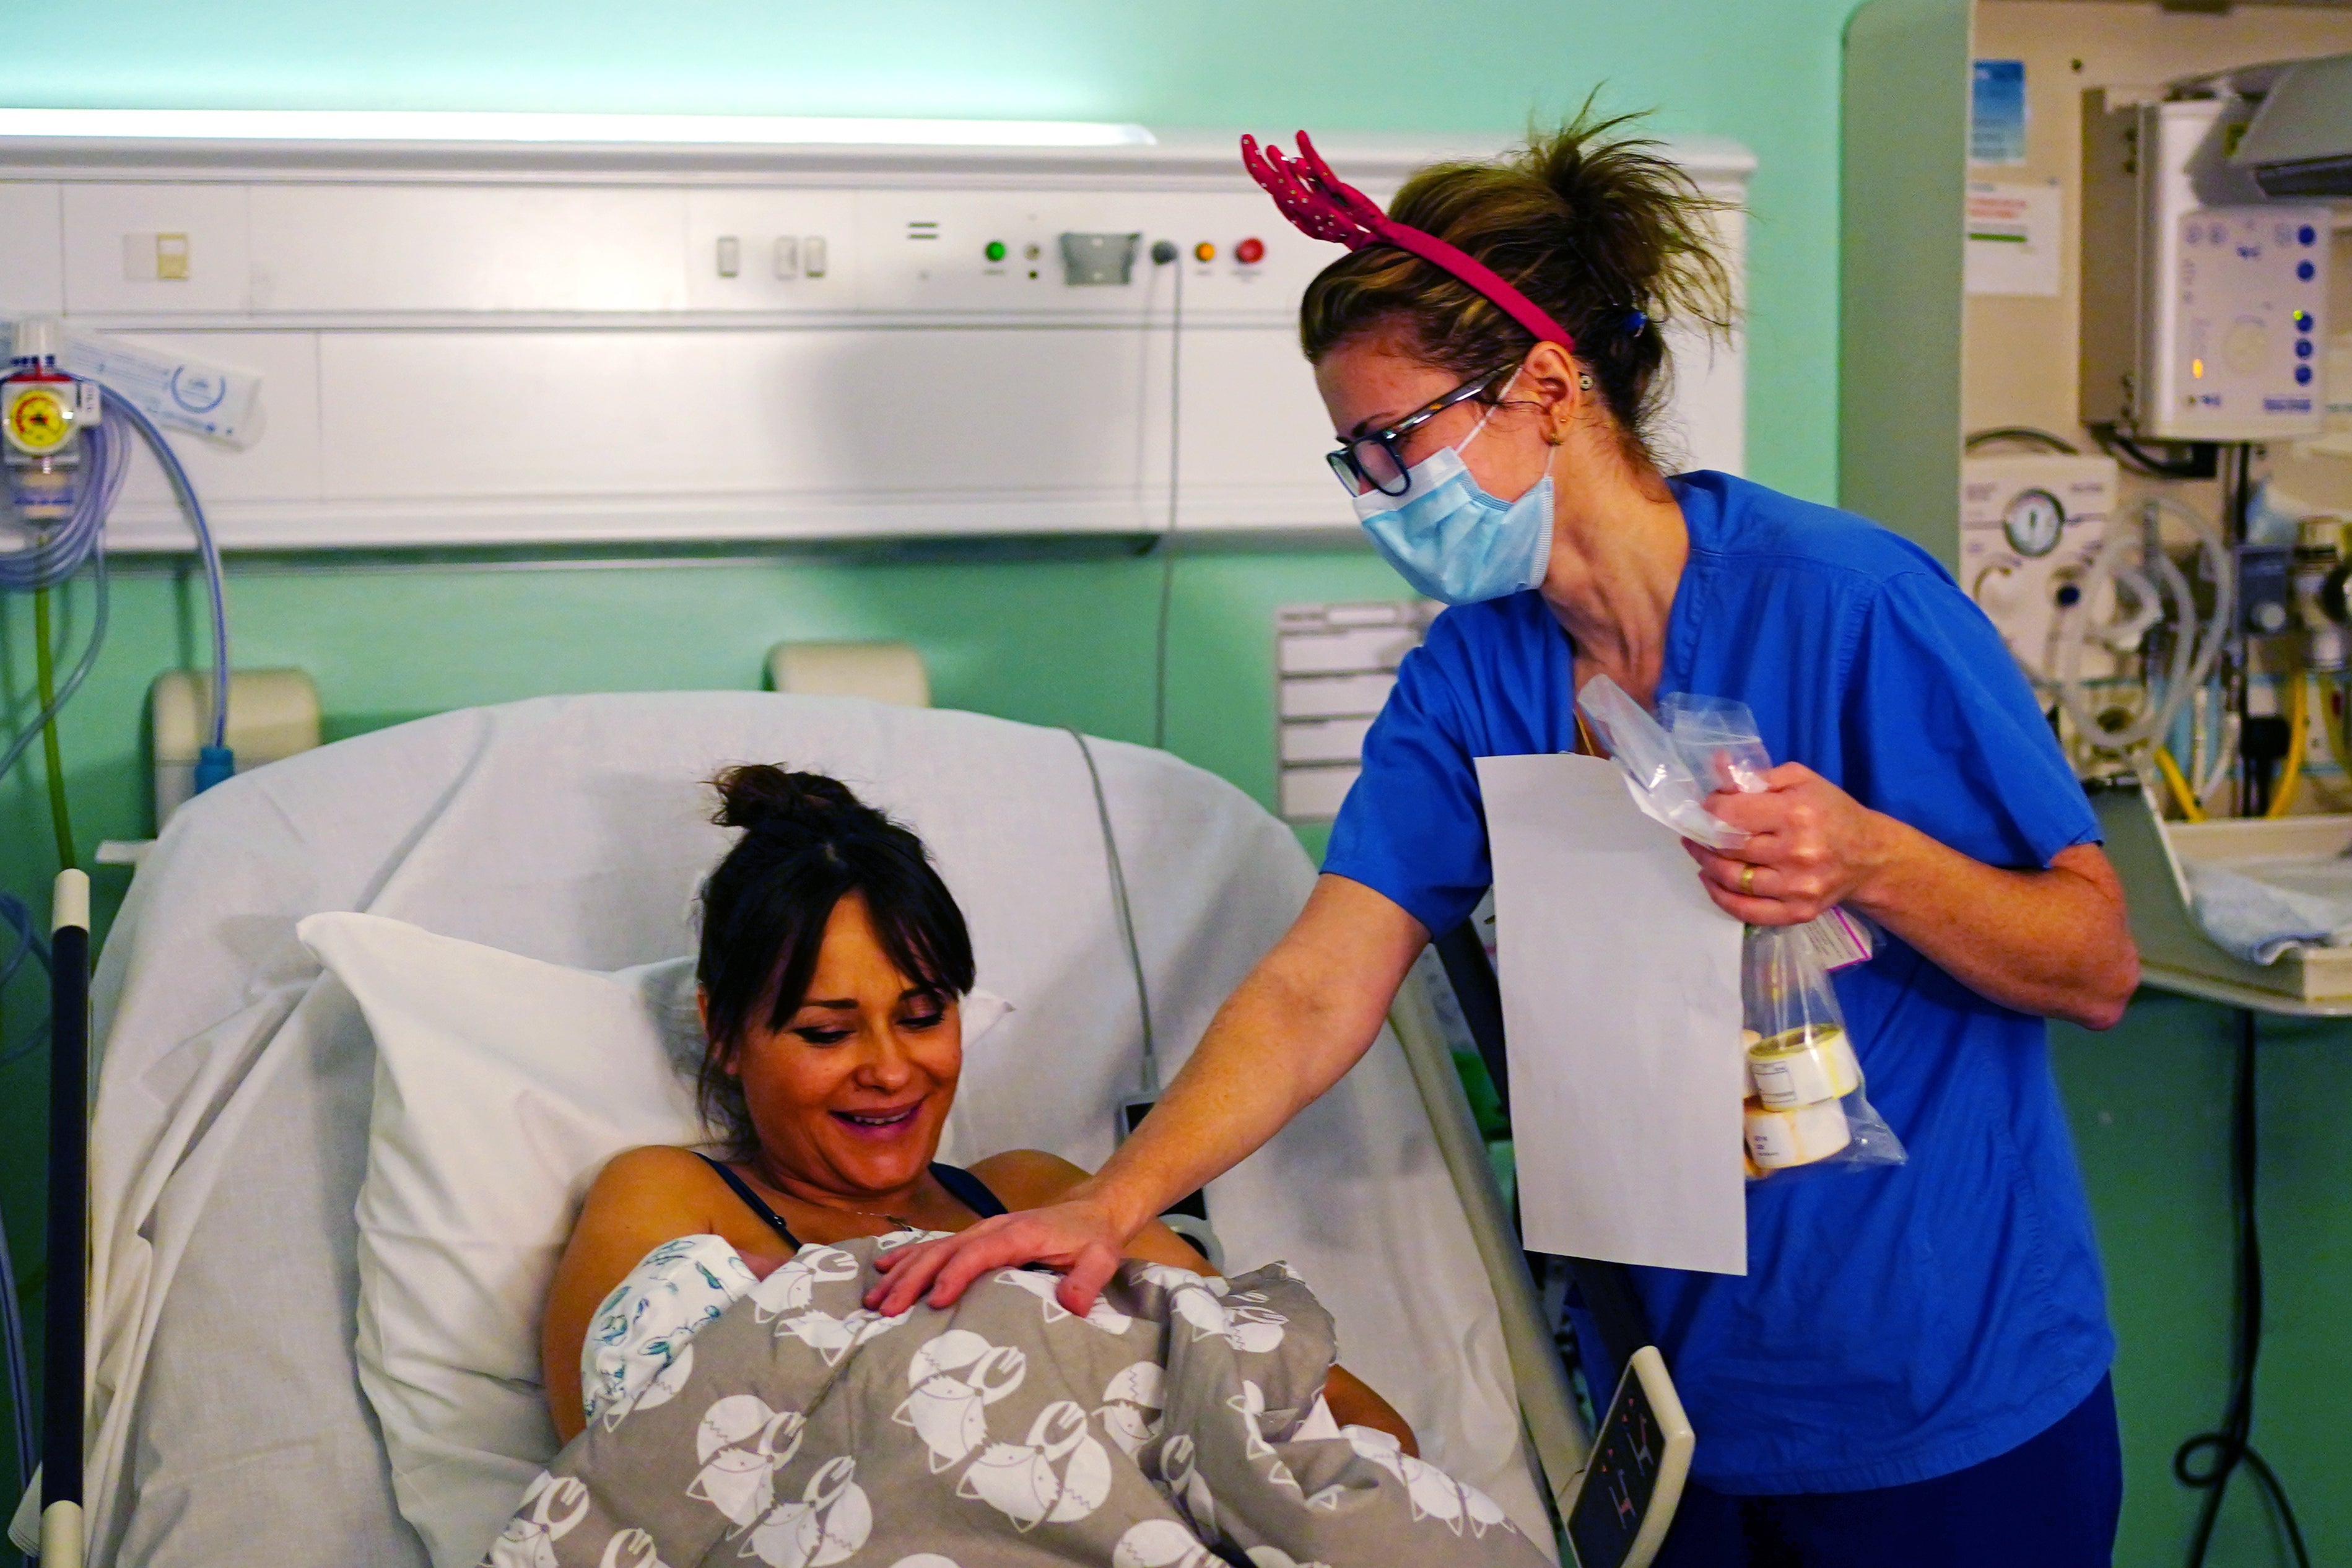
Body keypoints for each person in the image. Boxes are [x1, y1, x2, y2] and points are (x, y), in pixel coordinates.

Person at [868, 111, 2138, 1567]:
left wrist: (1871, 859)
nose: (1380, 493)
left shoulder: (1848, 604)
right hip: (1685, 1412)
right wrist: (1110, 1204)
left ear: (1544, 385)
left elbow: (2095, 961)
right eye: (1352, 458)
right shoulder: (1477, 674)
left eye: (1398, 440)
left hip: (1947, 1401)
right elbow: (1317, 984)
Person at [539, 764, 1413, 1452]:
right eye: (825, 1033)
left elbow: (1359, 1422)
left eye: (922, 1017)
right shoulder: (669, 1201)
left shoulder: (1039, 1197)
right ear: (723, 1033)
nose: (888, 1071)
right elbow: (621, 1481)